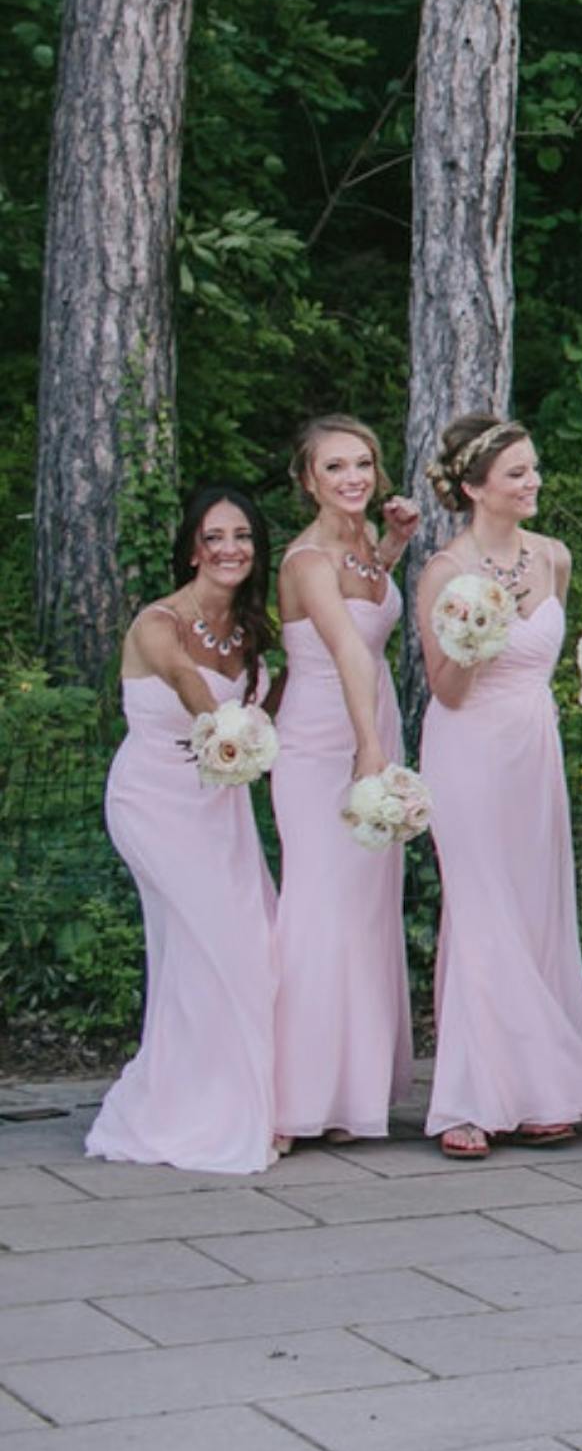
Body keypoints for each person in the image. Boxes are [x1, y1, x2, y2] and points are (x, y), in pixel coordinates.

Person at [413, 414, 582, 1160]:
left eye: (534, 467)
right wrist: (476, 633)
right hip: (467, 747)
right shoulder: (444, 571)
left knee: (534, 908)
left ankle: (539, 1086)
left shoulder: (554, 557)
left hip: (532, 747)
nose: (533, 480)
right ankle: (467, 1099)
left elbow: (556, 661)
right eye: (516, 472)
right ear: (475, 486)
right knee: (480, 911)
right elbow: (444, 690)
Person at [85, 487, 287, 1174]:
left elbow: (278, 706)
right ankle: (199, 1112)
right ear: (193, 547)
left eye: (242, 536)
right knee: (214, 942)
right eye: (215, 536)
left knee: (250, 942)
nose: (230, 548)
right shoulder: (158, 622)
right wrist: (227, 726)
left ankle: (223, 1096)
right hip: (154, 802)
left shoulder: (253, 631)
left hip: (220, 811)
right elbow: (184, 680)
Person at [269, 416, 420, 1146]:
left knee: (365, 907)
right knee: (320, 904)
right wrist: (368, 752)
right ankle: (295, 1095)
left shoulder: (360, 542)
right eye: (336, 467)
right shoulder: (306, 561)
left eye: (363, 462)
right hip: (324, 735)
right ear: (308, 479)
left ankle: (349, 1092)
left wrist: (393, 543)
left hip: (371, 721)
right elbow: (350, 652)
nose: (354, 477)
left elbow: (375, 599)